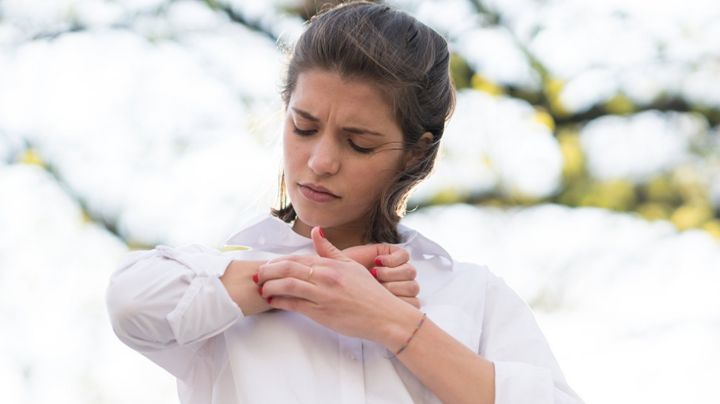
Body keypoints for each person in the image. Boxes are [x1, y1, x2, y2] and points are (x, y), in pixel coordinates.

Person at [106, 2, 583, 403]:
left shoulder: (471, 295)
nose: (320, 162)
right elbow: (131, 303)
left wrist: (392, 321)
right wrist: (311, 280)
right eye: (304, 127)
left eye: (359, 143)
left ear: (415, 150)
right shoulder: (219, 279)